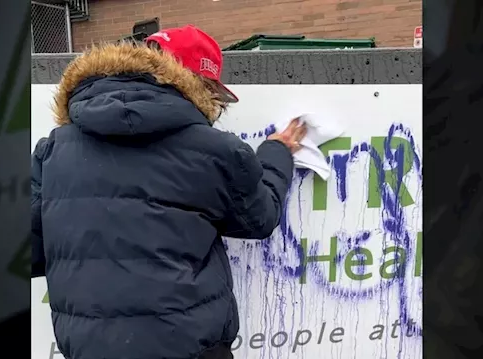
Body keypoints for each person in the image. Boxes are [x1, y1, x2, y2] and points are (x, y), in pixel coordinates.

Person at [31, 25, 306, 359]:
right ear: (197, 84)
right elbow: (260, 218)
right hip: (192, 347)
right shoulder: (214, 150)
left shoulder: (53, 150)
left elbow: (30, 253)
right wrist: (277, 152)